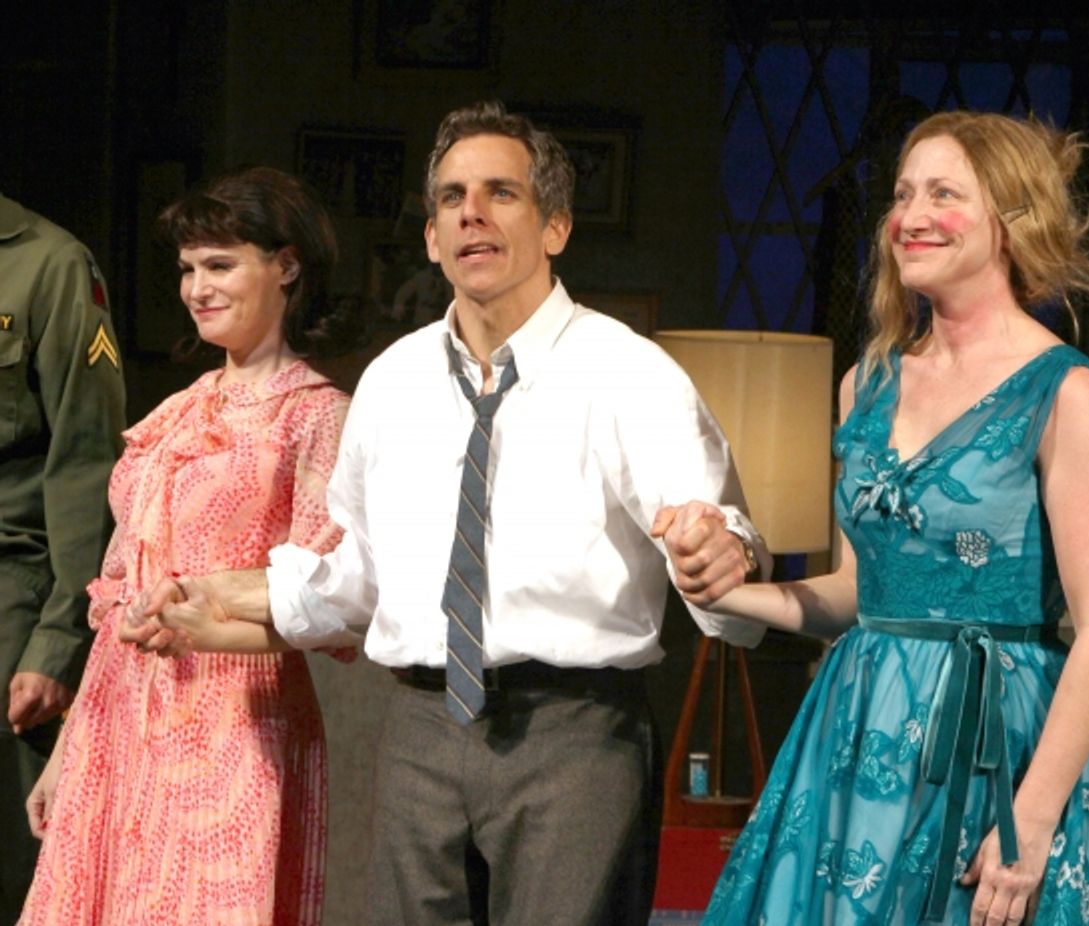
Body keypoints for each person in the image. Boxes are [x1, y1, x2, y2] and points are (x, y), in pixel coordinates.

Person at [130, 100, 770, 926]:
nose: (471, 212)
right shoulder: (393, 383)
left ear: (556, 227)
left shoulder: (628, 373)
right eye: (450, 198)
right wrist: (219, 596)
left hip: (572, 734)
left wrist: (721, 554)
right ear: (432, 238)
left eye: (501, 192)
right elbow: (356, 579)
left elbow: (722, 537)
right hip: (421, 733)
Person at [655, 111, 1089, 925]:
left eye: (943, 193)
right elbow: (859, 594)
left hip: (1003, 752)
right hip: (858, 736)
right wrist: (726, 592)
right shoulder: (867, 384)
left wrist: (1030, 821)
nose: (910, 216)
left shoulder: (1063, 393)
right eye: (902, 195)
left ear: (1012, 221)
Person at [18, 166, 360, 926]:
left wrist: (205, 622)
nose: (196, 287)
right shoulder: (177, 410)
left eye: (220, 264)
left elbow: (329, 605)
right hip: (120, 712)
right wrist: (71, 752)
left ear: (288, 265)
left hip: (232, 718)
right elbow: (113, 599)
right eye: (187, 269)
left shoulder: (313, 418)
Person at [0, 194, 125, 924]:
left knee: (16, 867)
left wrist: (57, 640)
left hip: (10, 584)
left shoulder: (47, 265)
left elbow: (86, 462)